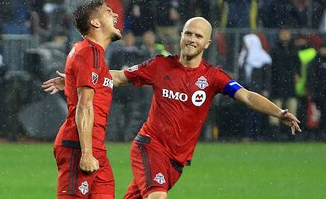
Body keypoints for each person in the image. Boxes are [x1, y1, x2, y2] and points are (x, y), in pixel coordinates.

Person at [44, 17, 301, 199]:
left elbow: (246, 97)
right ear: (181, 36)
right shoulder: (160, 65)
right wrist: (77, 78)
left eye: (198, 36)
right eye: (188, 33)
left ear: (207, 43)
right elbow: (119, 76)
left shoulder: (213, 77)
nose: (191, 39)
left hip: (176, 163)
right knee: (157, 196)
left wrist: (278, 113)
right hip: (150, 145)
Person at [42, 0, 121, 199]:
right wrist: (86, 153)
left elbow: (111, 78)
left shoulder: (90, 54)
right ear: (95, 23)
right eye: (109, 11)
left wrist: (71, 80)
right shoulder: (90, 53)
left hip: (96, 147)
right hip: (78, 146)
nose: (115, 15)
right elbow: (85, 106)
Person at [237, 33, 272, 141]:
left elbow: (267, 76)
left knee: (256, 113)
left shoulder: (264, 58)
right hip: (246, 88)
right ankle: (247, 135)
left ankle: (255, 135)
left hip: (257, 90)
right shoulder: (243, 56)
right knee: (246, 113)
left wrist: (265, 89)